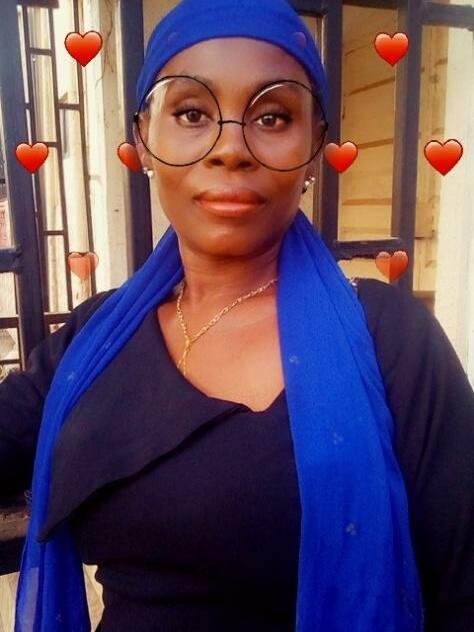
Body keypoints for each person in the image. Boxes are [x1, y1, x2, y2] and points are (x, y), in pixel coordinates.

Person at [1, 0, 473, 630]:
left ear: (314, 149)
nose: (230, 149)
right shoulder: (95, 340)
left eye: (272, 116)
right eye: (191, 113)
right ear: (144, 140)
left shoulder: (391, 341)